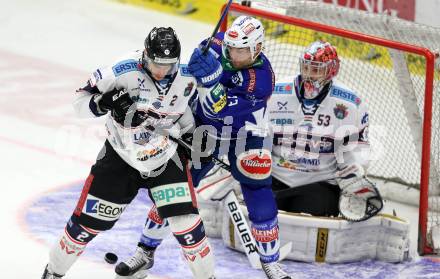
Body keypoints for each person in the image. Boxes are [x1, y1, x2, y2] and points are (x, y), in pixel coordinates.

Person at [117, 16, 292, 279]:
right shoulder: (217, 44)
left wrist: (211, 79)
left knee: (259, 192)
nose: (234, 54)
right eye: (231, 47)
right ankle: (145, 251)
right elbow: (192, 76)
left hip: (246, 134)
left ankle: (270, 261)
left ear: (257, 49)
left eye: (242, 50)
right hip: (203, 130)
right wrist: (199, 60)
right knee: (174, 189)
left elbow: (215, 108)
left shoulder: (261, 80)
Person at [41, 27, 215, 279]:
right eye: (157, 63)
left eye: (169, 65)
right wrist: (104, 103)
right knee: (85, 227)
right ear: (145, 55)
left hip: (166, 159)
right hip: (121, 159)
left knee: (188, 229)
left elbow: (187, 111)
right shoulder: (121, 71)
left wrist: (195, 138)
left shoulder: (187, 76)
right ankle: (53, 273)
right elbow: (79, 103)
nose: (162, 71)